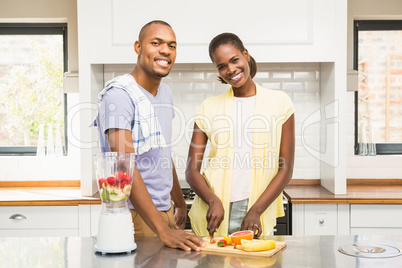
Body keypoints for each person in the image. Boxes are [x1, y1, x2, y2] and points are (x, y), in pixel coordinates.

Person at [96, 20, 205, 251]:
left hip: (163, 213)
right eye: (156, 43)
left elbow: (161, 153)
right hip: (137, 215)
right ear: (138, 47)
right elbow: (124, 166)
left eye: (172, 45)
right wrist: (162, 229)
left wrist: (179, 202)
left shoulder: (165, 92)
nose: (165, 50)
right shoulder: (118, 96)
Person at [186, 33, 295, 238]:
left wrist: (255, 211)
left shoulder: (280, 102)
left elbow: (286, 168)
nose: (231, 70)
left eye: (235, 60)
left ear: (246, 54)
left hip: (256, 212)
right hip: (214, 214)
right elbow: (191, 170)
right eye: (222, 66)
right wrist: (212, 200)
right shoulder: (209, 107)